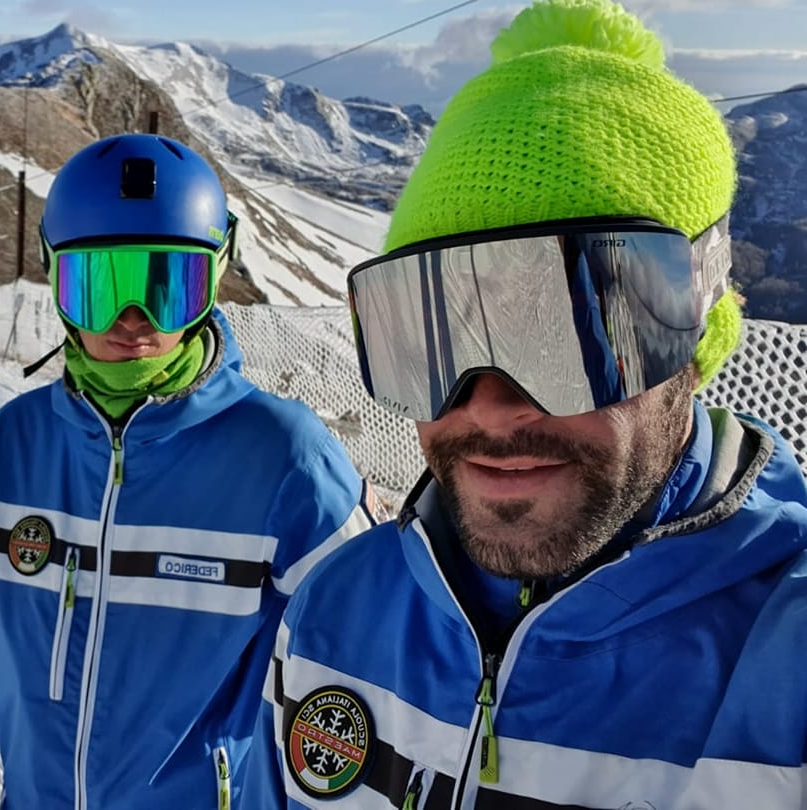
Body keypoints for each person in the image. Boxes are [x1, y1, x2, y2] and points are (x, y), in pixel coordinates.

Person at [245, 0, 807, 807]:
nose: (492, 409)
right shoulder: (334, 614)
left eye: (570, 334)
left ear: (695, 330)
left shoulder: (783, 668)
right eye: (433, 336)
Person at [0, 133, 375, 809]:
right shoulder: (9, 447)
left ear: (215, 278)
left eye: (167, 284)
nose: (134, 321)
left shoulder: (285, 455)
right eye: (101, 285)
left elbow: (363, 674)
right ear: (55, 282)